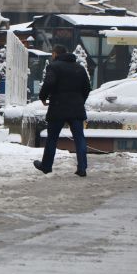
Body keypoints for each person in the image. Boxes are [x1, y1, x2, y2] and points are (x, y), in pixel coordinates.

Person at [34, 45, 91, 177]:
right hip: (76, 108)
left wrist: (42, 97)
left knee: (52, 138)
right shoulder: (79, 68)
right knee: (79, 138)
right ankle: (82, 168)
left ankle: (46, 166)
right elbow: (87, 88)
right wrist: (80, 100)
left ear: (55, 54)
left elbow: (49, 83)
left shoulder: (54, 66)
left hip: (58, 107)